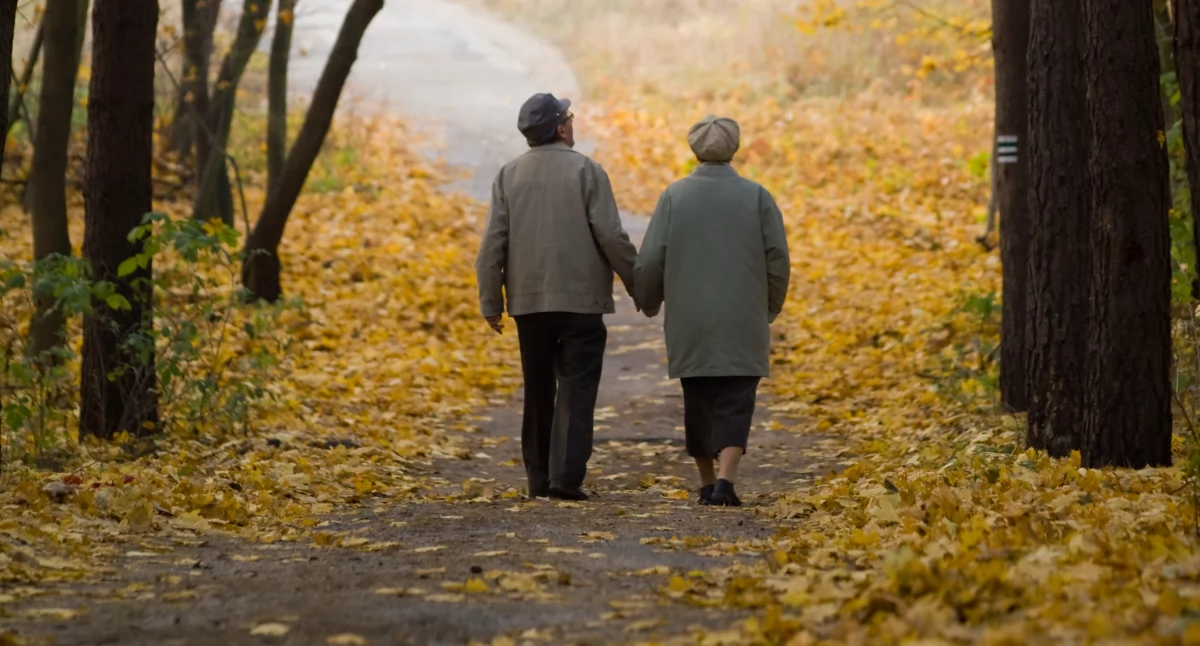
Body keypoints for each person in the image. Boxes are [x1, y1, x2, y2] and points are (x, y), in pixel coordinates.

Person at [475, 93, 639, 501]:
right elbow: (611, 235)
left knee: (537, 388)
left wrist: (491, 302)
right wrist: (641, 284)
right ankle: (565, 478)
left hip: (529, 304)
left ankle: (537, 479)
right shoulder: (587, 170)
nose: (572, 122)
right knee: (577, 388)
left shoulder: (508, 175)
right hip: (581, 303)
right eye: (569, 117)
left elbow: (492, 243)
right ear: (561, 128)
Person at [634, 115, 791, 507]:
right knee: (738, 397)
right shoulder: (758, 196)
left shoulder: (674, 196)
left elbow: (652, 258)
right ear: (734, 148)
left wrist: (649, 299)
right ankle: (726, 481)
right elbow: (778, 259)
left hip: (691, 319)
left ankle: (706, 483)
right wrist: (769, 306)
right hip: (743, 316)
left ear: (694, 148)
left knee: (698, 398)